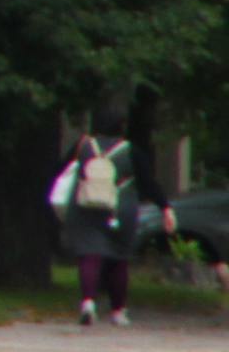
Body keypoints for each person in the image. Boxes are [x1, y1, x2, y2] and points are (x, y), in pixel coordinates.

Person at [52, 107, 157, 327]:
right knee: (119, 259)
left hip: (85, 205)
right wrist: (165, 207)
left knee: (89, 255)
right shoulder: (130, 150)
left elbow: (62, 169)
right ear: (122, 127)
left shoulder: (83, 146)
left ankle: (88, 303)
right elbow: (148, 181)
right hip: (121, 207)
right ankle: (118, 311)